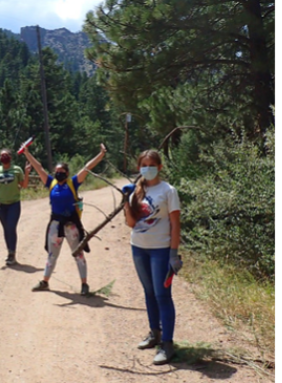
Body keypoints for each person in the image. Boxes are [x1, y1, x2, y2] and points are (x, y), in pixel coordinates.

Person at [122, 150, 183, 366]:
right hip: (139, 248)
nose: (147, 168)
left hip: (161, 250)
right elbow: (130, 223)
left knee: (162, 295)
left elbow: (175, 223)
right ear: (139, 168)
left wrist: (173, 254)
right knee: (149, 293)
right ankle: (154, 333)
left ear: (159, 167)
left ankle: (167, 344)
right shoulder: (135, 192)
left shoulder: (168, 191)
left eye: (151, 164)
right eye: (143, 165)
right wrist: (126, 201)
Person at [23, 143, 107, 296]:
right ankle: (45, 281)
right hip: (55, 225)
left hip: (71, 225)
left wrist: (101, 155)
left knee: (78, 254)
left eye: (62, 171)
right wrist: (26, 153)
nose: (59, 173)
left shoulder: (73, 183)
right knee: (52, 255)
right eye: (57, 171)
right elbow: (39, 167)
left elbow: (87, 167)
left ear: (67, 173)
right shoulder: (51, 183)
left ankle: (84, 284)